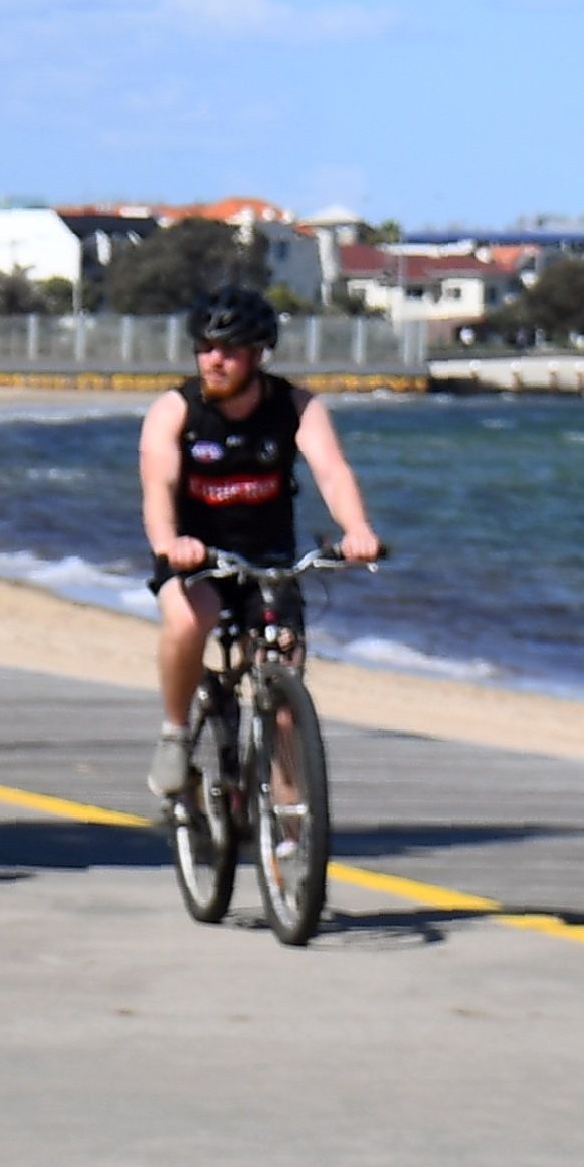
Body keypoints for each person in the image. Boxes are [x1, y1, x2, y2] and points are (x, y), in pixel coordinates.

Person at [140, 288, 381, 798]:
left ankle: (292, 840)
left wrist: (357, 531)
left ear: (257, 355)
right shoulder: (175, 410)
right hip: (197, 557)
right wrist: (170, 544)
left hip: (270, 561)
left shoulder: (295, 406)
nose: (214, 361)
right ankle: (175, 735)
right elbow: (158, 486)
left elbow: (332, 472)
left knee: (286, 699)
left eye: (228, 351)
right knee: (187, 619)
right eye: (205, 349)